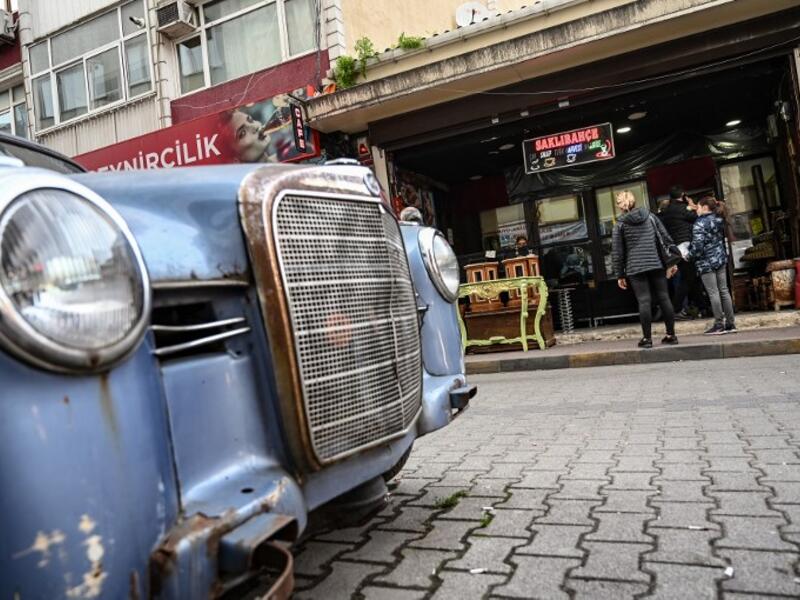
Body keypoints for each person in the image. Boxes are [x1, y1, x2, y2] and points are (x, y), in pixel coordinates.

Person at [612, 190, 678, 348]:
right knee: (664, 297)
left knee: (644, 301)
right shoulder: (650, 217)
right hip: (655, 263)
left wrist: (619, 274)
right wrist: (671, 262)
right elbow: (665, 238)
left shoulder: (620, 224)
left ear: (620, 206)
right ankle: (671, 335)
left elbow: (618, 251)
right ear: (634, 202)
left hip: (635, 266)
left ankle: (647, 339)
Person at [686, 196, 736, 335]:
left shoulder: (699, 224)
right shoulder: (719, 219)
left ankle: (719, 324)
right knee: (724, 291)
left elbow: (698, 246)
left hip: (706, 262)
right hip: (720, 259)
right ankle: (731, 324)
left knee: (713, 293)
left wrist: (688, 255)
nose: (697, 210)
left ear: (705, 208)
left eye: (699, 207)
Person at [658, 186, 699, 319]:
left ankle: (688, 307)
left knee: (687, 279)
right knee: (688, 279)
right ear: (683, 195)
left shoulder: (669, 210)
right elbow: (695, 216)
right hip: (685, 246)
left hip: (676, 248)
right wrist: (692, 205)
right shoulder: (681, 208)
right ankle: (675, 309)